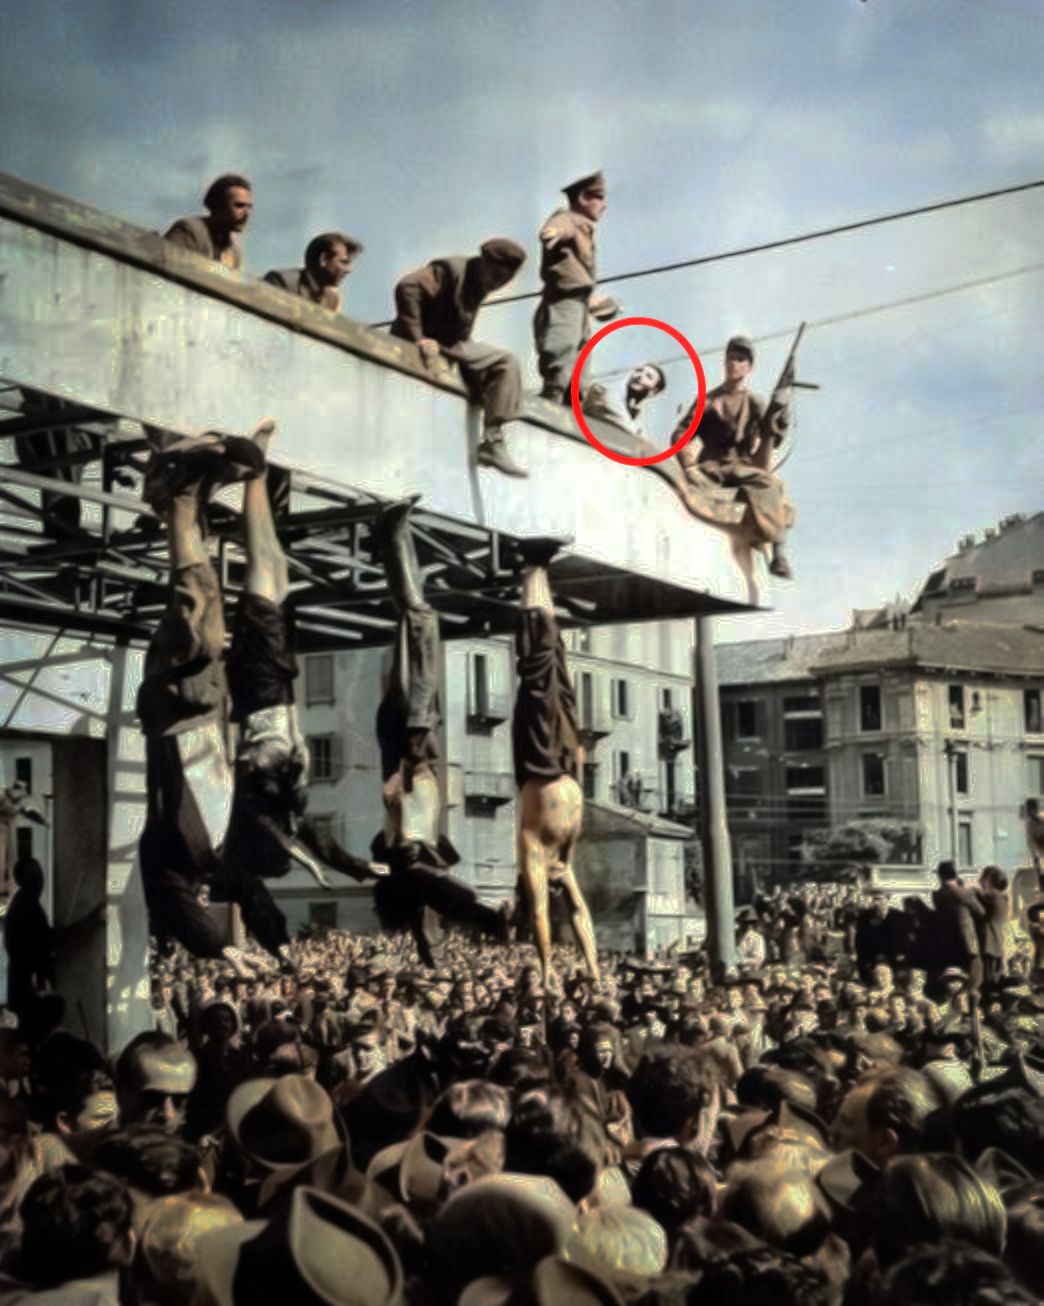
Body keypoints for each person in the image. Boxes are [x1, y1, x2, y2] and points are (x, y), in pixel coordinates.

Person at [136, 421, 381, 975]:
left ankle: (177, 492)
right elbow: (252, 893)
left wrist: (216, 946)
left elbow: (174, 903)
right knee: (207, 604)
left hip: (176, 713)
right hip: (205, 709)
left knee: (201, 608)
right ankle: (183, 492)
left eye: (201, 900)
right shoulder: (216, 855)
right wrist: (272, 947)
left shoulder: (170, 861)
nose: (206, 897)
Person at [366, 497, 511, 966]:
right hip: (414, 733)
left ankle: (391, 535)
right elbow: (436, 902)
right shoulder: (414, 860)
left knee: (420, 619)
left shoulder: (410, 855)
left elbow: (440, 889)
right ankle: (392, 539)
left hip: (411, 732)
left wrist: (483, 914)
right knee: (415, 617)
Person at [511, 537, 599, 990]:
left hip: (549, 765)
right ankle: (536, 567)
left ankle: (534, 569)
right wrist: (587, 967)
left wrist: (551, 967)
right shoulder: (559, 864)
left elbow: (546, 914)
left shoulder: (542, 857)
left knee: (543, 665)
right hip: (555, 762)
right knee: (550, 664)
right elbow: (573, 913)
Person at [390, 239, 528, 476]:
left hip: (450, 344)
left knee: (505, 364)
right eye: (495, 277)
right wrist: (418, 338)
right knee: (505, 362)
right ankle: (492, 440)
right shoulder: (451, 270)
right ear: (484, 263)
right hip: (423, 341)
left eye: (504, 281)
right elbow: (408, 286)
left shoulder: (480, 280)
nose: (496, 284)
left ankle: (492, 441)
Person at [675, 335, 795, 579]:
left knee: (771, 484)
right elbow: (680, 434)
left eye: (740, 360)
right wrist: (689, 466)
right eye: (730, 358)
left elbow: (771, 434)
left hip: (742, 466)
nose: (734, 364)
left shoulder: (754, 401)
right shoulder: (707, 400)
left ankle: (779, 552)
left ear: (749, 367)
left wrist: (781, 415)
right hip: (711, 466)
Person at [533, 170, 620, 404]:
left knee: (581, 355)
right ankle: (553, 394)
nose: (604, 205)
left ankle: (573, 400)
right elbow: (558, 227)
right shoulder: (569, 219)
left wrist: (596, 301)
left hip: (579, 303)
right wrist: (552, 233)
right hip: (565, 301)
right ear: (583, 198)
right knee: (563, 344)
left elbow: (582, 275)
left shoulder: (585, 229)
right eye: (599, 198)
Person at [164, 173, 253, 270]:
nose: (247, 214)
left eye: (249, 207)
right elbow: (167, 268)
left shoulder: (234, 254)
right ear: (218, 206)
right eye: (239, 206)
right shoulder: (189, 230)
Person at [262, 230, 363, 313]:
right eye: (344, 262)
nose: (349, 270)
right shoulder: (281, 281)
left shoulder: (332, 300)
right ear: (323, 259)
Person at [932, 861, 985, 989]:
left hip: (947, 942)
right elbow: (981, 911)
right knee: (972, 978)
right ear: (956, 875)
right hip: (966, 942)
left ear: (940, 876)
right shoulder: (962, 893)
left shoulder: (937, 895)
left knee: (955, 979)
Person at [582, 362, 667, 441]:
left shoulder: (634, 412)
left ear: (653, 391)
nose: (640, 376)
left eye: (648, 377)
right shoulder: (604, 391)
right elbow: (632, 434)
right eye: (639, 371)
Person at [0, 781, 46, 898]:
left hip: (8, 834)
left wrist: (41, 821)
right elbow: (13, 809)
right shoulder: (3, 796)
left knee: (11, 861)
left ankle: (10, 890)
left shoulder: (15, 803)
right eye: (20, 795)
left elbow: (27, 812)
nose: (20, 799)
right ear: (16, 790)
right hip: (2, 833)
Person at [975, 865, 1009, 985]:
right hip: (997, 944)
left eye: (984, 878)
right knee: (994, 980)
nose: (980, 881)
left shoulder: (991, 895)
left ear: (991, 880)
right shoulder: (1003, 897)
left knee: (988, 982)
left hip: (988, 944)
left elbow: (972, 896)